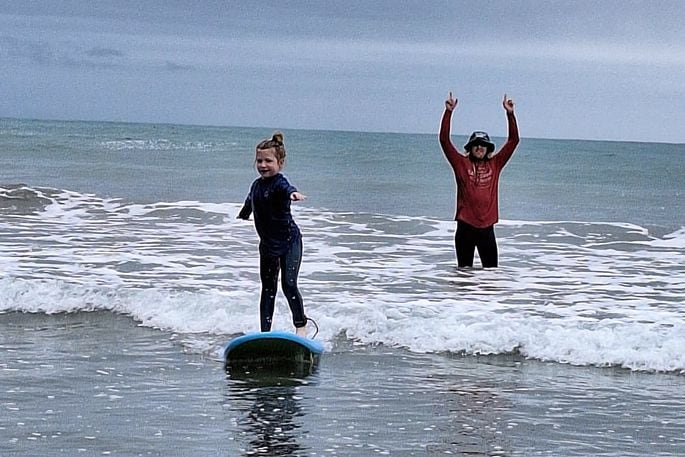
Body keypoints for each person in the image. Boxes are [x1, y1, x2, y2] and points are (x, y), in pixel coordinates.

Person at [237, 131, 308, 336]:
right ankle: (265, 333)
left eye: (268, 160)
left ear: (280, 162)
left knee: (288, 284)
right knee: (267, 289)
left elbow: (287, 188)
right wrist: (243, 214)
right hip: (267, 246)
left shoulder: (279, 183)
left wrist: (293, 194)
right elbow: (251, 200)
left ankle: (300, 327)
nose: (263, 165)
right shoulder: (256, 185)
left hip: (289, 242)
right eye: (259, 160)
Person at [438, 92, 519, 268]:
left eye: (483, 145)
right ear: (470, 147)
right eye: (476, 144)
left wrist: (510, 114)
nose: (479, 147)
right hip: (465, 228)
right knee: (463, 276)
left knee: (491, 276)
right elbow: (444, 140)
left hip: (487, 229)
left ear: (488, 148)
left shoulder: (495, 164)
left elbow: (513, 141)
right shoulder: (461, 163)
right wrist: (448, 112)